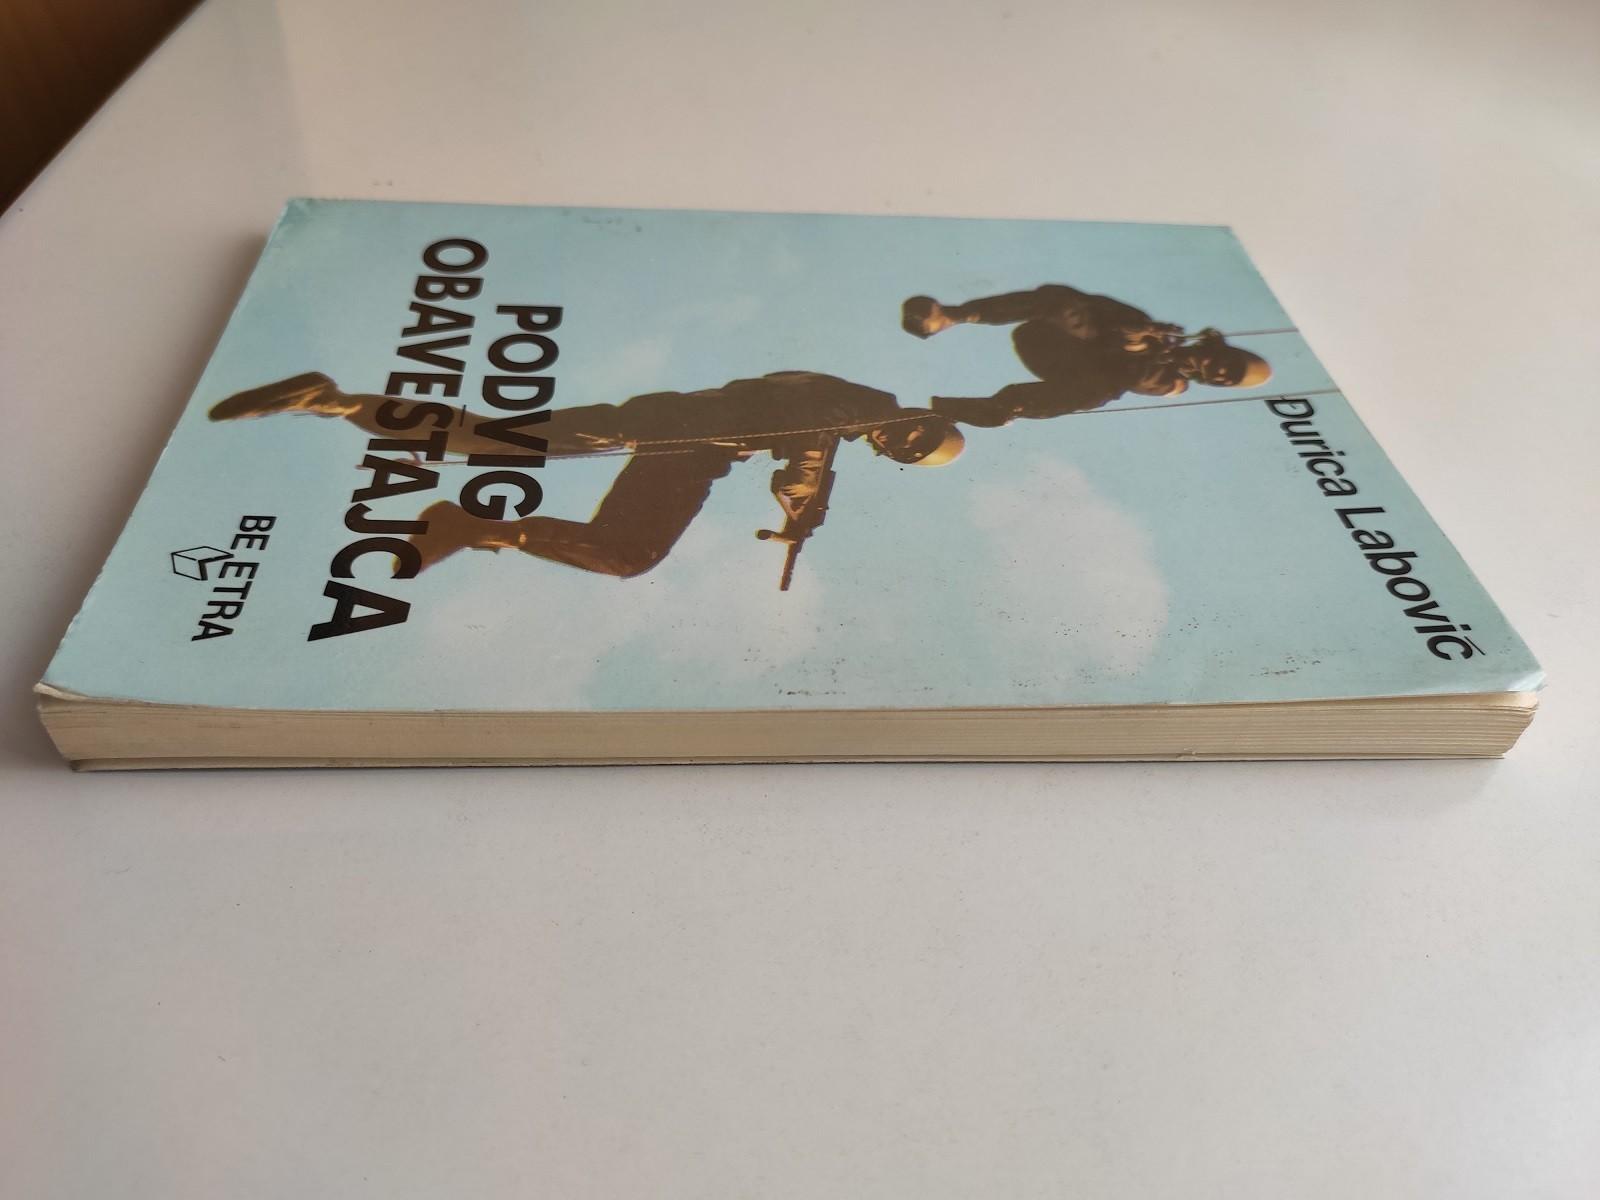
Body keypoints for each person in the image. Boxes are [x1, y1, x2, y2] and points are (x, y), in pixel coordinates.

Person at [209, 370, 963, 577]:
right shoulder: (853, 405)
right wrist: (802, 516)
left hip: (680, 440)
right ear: (914, 416)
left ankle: (335, 402)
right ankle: (465, 524)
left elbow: (805, 448)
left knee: (498, 442)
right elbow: (807, 458)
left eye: (904, 450)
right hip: (679, 439)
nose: (896, 441)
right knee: (624, 547)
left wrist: (802, 509)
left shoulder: (849, 409)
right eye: (912, 435)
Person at [901, 285, 1272, 427]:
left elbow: (1135, 378)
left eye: (1223, 380)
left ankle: (987, 409)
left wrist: (1137, 343)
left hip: (1066, 370)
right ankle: (951, 316)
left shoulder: (1172, 384)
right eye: (1225, 365)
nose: (1216, 373)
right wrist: (1135, 328)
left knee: (1100, 392)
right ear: (1215, 348)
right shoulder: (1155, 329)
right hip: (1045, 337)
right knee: (1066, 301)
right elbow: (1089, 305)